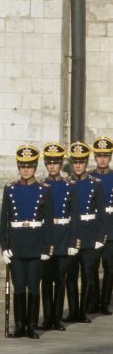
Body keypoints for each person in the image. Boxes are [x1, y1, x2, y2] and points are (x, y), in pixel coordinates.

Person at [0, 144, 53, 339]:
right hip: (17, 245)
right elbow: (4, 220)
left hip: (36, 245)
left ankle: (32, 326)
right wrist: (3, 247)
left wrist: (47, 247)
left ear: (35, 167)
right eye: (22, 166)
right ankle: (19, 325)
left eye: (29, 166)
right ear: (18, 167)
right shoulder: (10, 189)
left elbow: (48, 222)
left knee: (33, 286)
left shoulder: (44, 190)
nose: (26, 170)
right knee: (19, 286)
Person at [64, 141, 105, 323]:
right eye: (75, 161)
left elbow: (102, 213)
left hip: (89, 234)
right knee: (71, 275)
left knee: (88, 274)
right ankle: (73, 310)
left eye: (81, 161)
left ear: (87, 162)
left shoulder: (95, 184)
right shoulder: (66, 184)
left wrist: (100, 236)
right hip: (71, 234)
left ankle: (83, 311)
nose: (78, 165)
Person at [39, 142, 77, 331]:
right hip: (47, 237)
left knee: (60, 280)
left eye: (56, 163)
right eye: (49, 163)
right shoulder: (40, 186)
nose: (52, 166)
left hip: (63, 236)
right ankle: (47, 317)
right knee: (46, 280)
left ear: (61, 164)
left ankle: (57, 317)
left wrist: (73, 241)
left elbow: (75, 216)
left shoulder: (70, 186)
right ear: (45, 164)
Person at [88, 136, 113, 315]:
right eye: (99, 156)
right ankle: (93, 301)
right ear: (95, 157)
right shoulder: (89, 178)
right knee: (92, 265)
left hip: (111, 225)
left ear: (110, 157)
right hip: (94, 227)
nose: (102, 159)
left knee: (109, 266)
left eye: (106, 155)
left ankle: (105, 302)